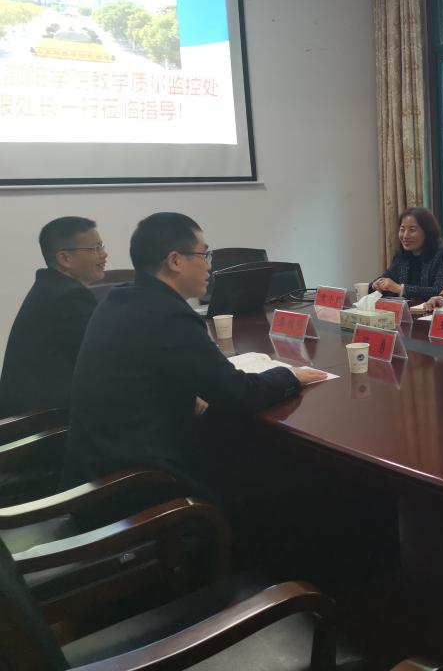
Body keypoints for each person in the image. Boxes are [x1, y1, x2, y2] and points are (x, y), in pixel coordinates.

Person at [63, 213, 326, 497]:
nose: (209, 265)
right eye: (204, 254)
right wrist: (290, 375)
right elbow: (239, 393)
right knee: (269, 471)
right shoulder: (168, 316)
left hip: (94, 468)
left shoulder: (119, 298)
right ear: (175, 261)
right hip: (137, 483)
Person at [0, 217, 107, 417]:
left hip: (36, 412)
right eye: (95, 248)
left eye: (102, 246)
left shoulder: (51, 287)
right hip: (45, 422)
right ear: (65, 258)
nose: (104, 254)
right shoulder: (68, 297)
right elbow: (103, 355)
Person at [371, 207, 443, 303]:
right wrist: (376, 285)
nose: (405, 235)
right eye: (402, 230)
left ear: (427, 232)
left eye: (412, 230)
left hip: (432, 311)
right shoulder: (401, 256)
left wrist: (401, 289)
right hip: (407, 310)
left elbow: (442, 292)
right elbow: (386, 279)